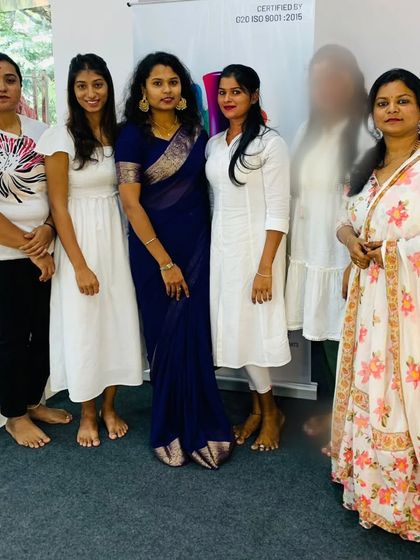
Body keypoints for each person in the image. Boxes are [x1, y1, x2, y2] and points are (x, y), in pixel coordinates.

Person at [115, 52, 234, 469]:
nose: (166, 90)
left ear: (183, 88)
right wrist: (165, 263)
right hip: (153, 252)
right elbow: (131, 204)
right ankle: (167, 426)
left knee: (194, 336)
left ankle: (203, 420)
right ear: (143, 91)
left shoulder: (197, 133)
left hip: (197, 247)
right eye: (157, 83)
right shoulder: (132, 135)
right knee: (164, 339)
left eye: (173, 82)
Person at [36, 54, 143, 448]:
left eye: (97, 84)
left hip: (116, 237)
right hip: (78, 239)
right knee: (84, 326)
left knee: (116, 320)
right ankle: (86, 411)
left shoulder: (120, 134)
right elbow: (58, 205)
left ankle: (110, 406)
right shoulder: (60, 137)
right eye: (81, 86)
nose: (90, 93)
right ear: (72, 90)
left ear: (108, 87)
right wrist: (79, 265)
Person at [333, 68, 420, 540]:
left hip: (409, 306)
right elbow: (344, 219)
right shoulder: (366, 166)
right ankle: (371, 486)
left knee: (404, 392)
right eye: (383, 103)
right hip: (370, 305)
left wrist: (387, 252)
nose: (392, 110)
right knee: (372, 386)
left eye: (403, 100)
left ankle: (406, 500)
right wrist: (351, 242)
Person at [285, 45, 370, 453]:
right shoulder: (307, 130)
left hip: (343, 255)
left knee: (344, 338)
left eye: (335, 77)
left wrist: (354, 255)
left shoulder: (367, 134)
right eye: (317, 79)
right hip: (311, 249)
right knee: (320, 333)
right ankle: (337, 411)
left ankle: (350, 422)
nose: (326, 87)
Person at [206, 64, 290, 452]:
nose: (228, 98)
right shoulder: (214, 144)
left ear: (254, 96)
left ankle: (271, 413)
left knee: (255, 328)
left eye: (237, 91)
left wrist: (265, 268)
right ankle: (257, 410)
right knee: (236, 329)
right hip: (223, 248)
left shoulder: (270, 143)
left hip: (258, 250)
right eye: (223, 92)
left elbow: (279, 210)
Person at [0, 53, 72, 448]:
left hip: (44, 249)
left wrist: (48, 229)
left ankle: (32, 400)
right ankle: (14, 415)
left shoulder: (41, 133)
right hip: (7, 256)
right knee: (10, 338)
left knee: (43, 332)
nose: (3, 87)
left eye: (10, 79)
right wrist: (32, 248)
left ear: (20, 86)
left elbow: (57, 195)